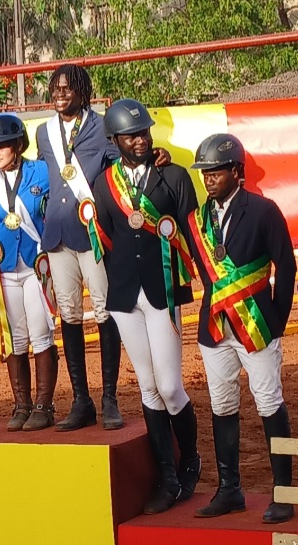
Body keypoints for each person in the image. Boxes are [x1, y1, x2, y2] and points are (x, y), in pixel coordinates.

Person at [93, 99, 200, 514]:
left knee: (171, 386)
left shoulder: (173, 176)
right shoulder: (104, 184)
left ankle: (190, 459)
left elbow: (191, 230)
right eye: (130, 136)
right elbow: (103, 232)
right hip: (123, 295)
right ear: (116, 140)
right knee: (148, 386)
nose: (139, 140)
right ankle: (166, 477)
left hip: (163, 290)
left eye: (143, 133)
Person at [184, 134, 297, 523]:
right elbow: (206, 273)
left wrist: (276, 321)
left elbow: (287, 267)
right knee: (222, 405)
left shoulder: (264, 211)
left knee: (269, 402)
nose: (208, 179)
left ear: (236, 171)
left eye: (215, 171)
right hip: (215, 328)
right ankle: (229, 489)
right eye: (204, 173)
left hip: (256, 325)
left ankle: (284, 493)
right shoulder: (199, 218)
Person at [34, 63, 125, 431]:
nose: (60, 94)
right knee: (69, 315)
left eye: (67, 88)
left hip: (93, 234)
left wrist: (157, 158)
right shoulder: (43, 133)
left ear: (82, 91)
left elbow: (122, 171)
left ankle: (109, 399)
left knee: (104, 311)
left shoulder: (102, 126)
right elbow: (39, 176)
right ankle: (80, 400)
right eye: (55, 89)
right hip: (57, 235)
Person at [0, 114, 57, 432]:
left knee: (41, 333)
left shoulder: (42, 172)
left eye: (2, 145)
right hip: (5, 268)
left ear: (18, 145)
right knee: (15, 338)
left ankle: (43, 405)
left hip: (37, 265)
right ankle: (21, 404)